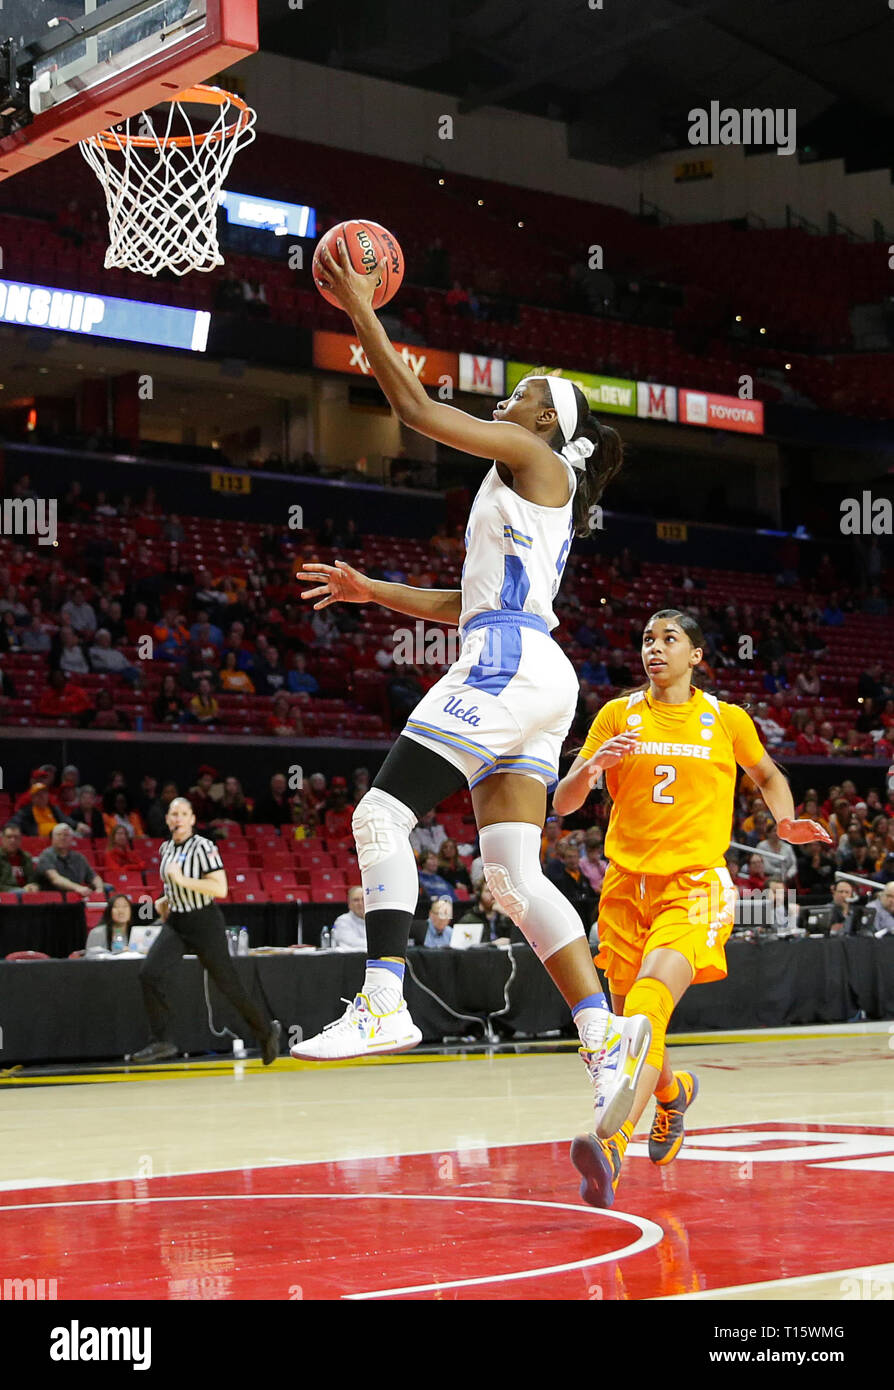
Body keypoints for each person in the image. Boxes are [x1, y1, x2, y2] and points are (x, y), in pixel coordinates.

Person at [290, 236, 645, 1154]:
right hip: (535, 670)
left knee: (377, 817)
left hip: (506, 667)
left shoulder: (535, 456)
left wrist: (361, 303)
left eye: (529, 390)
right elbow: (467, 601)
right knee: (514, 878)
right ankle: (605, 1042)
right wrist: (377, 593)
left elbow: (409, 404)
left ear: (550, 421)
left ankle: (383, 1002)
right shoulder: (531, 486)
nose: (513, 395)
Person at [552, 608, 831, 1208]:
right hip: (625, 889)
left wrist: (784, 822)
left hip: (696, 885)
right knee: (633, 1026)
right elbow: (564, 803)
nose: (654, 648)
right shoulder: (616, 714)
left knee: (650, 1000)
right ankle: (674, 1096)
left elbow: (766, 772)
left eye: (669, 639)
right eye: (647, 638)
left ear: (695, 655)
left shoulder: (725, 720)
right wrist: (590, 768)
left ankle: (611, 1143)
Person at [130, 798, 281, 1064]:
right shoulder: (166, 848)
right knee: (149, 974)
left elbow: (219, 888)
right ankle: (161, 1041)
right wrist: (166, 899)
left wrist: (182, 880)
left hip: (204, 922)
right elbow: (173, 883)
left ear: (191, 819)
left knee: (228, 985)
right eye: (173, 814)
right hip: (177, 921)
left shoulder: (204, 846)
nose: (178, 818)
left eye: (183, 813)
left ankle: (267, 1031)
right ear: (167, 820)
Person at [35, 823, 105, 897]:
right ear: (52, 838)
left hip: (77, 896)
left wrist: (99, 889)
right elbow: (55, 879)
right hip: (52, 897)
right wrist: (77, 888)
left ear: (72, 839)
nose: (62, 837)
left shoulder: (79, 858)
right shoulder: (46, 855)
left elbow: (94, 877)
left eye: (66, 835)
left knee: (107, 887)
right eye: (59, 834)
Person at [0, 822, 39, 891]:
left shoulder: (26, 857)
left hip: (25, 896)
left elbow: (32, 880)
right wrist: (20, 890)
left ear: (20, 839)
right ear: (2, 839)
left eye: (16, 837)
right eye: (9, 837)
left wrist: (34, 886)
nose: (13, 840)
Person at [331, 886, 367, 951]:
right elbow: (351, 942)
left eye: (363, 899)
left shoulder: (374, 920)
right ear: (349, 904)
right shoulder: (342, 920)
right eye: (356, 900)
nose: (360, 903)